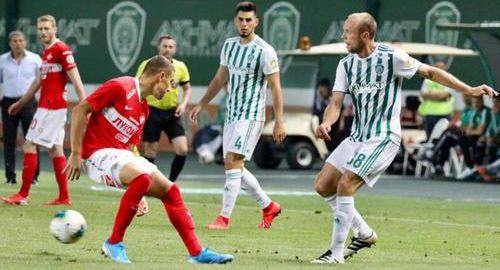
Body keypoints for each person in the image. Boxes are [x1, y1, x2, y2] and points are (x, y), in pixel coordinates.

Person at [311, 12, 497, 264]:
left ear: (364, 35)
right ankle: (364, 233)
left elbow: (431, 73)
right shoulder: (346, 64)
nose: (343, 36)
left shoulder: (391, 57)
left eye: (348, 32)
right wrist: (327, 121)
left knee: (346, 183)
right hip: (358, 137)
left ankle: (335, 254)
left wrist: (469, 89)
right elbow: (335, 102)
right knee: (323, 185)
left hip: (383, 137)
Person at [65, 55, 233, 264]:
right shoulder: (120, 86)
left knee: (171, 190)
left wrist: (138, 192)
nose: (171, 90)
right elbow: (80, 110)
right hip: (96, 155)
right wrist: (76, 152)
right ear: (161, 76)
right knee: (142, 178)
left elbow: (130, 148)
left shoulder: (143, 110)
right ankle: (113, 242)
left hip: (121, 156)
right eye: (171, 83)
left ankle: (196, 252)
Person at [190, 1, 286, 230]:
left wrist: (279, 121)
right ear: (236, 21)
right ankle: (268, 205)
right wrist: (202, 103)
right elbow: (219, 79)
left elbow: (276, 88)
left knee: (233, 163)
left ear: (256, 22)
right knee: (233, 166)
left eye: (249, 20)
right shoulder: (229, 46)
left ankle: (223, 218)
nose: (244, 24)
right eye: (241, 20)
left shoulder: (265, 51)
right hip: (232, 115)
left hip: (251, 115)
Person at [0, 15, 86, 205]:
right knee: (56, 150)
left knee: (29, 144)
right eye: (40, 29)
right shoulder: (47, 52)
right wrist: (20, 103)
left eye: (47, 28)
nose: (43, 32)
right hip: (47, 106)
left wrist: (85, 106)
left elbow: (76, 79)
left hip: (52, 108)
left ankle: (22, 194)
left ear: (55, 29)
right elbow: (38, 81)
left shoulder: (62, 50)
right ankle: (64, 197)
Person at [135, 35, 191, 182]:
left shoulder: (180, 67)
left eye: (171, 46)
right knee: (151, 151)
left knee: (183, 149)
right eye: (164, 46)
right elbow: (138, 85)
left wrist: (184, 104)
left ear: (175, 49)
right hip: (151, 110)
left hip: (172, 112)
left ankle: (171, 183)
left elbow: (187, 88)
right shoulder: (147, 64)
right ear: (158, 48)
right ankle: (150, 183)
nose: (167, 49)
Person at [0, 30, 41, 184]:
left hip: (28, 103)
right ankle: (10, 176)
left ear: (25, 42)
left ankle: (33, 177)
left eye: (21, 40)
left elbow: (42, 79)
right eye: (15, 41)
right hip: (9, 102)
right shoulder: (2, 60)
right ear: (10, 43)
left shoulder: (35, 59)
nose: (18, 44)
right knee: (9, 140)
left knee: (31, 139)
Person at [418, 60, 455, 140]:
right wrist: (438, 95)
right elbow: (423, 94)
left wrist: (430, 94)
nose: (439, 69)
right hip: (429, 115)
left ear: (445, 68)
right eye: (437, 67)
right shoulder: (428, 80)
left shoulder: (449, 79)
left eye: (441, 67)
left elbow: (444, 96)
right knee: (430, 140)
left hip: (445, 115)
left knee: (443, 140)